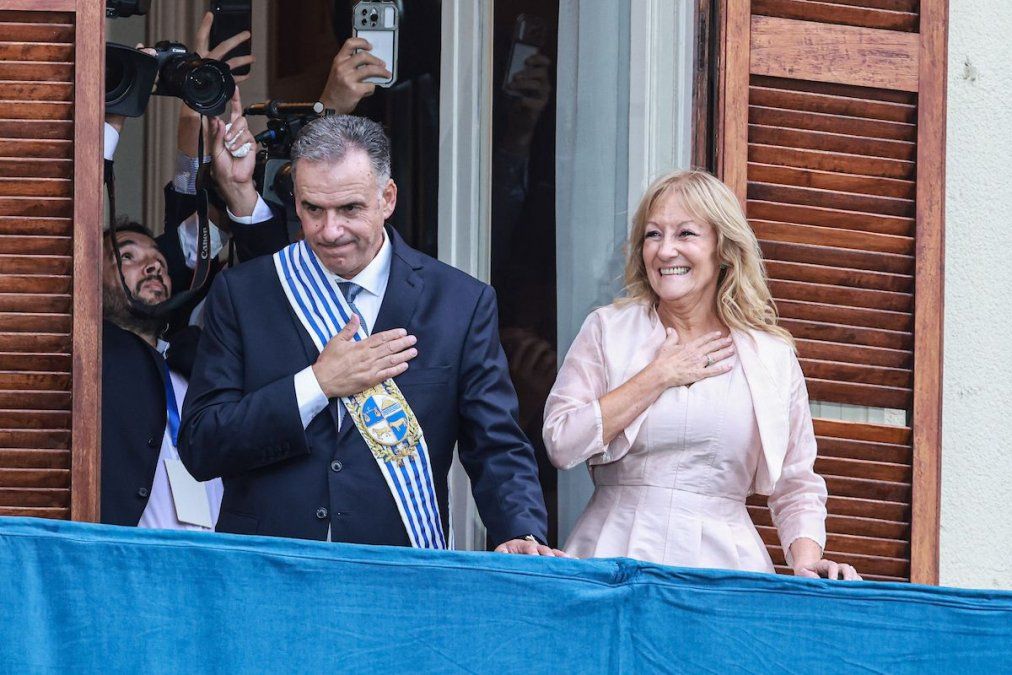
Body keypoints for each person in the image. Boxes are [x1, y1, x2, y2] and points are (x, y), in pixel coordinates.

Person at [178, 114, 557, 555]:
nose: (329, 230)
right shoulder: (246, 293)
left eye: (350, 209)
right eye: (312, 209)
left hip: (398, 567)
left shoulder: (459, 302)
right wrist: (316, 385)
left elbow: (496, 443)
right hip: (268, 567)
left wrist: (519, 530)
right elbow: (202, 445)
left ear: (387, 198)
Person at [543, 169, 860, 580]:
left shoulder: (772, 356)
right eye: (653, 235)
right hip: (613, 558)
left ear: (723, 249)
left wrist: (804, 559)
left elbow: (796, 482)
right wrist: (657, 375)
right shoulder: (607, 329)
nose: (665, 250)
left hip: (726, 567)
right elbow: (561, 441)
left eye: (686, 234)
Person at [101, 223, 223, 529]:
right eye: (127, 256)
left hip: (218, 561)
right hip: (129, 560)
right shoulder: (91, 363)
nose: (153, 265)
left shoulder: (195, 367)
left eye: (161, 263)